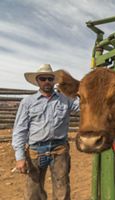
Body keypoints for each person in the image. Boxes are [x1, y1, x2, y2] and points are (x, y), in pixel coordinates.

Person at [12, 64, 79, 200]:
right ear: (38, 81)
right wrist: (20, 157)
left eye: (50, 78)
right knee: (33, 191)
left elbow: (85, 106)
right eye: (43, 79)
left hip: (59, 149)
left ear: (54, 81)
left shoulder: (66, 99)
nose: (47, 81)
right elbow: (20, 129)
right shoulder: (28, 102)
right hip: (36, 151)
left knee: (62, 188)